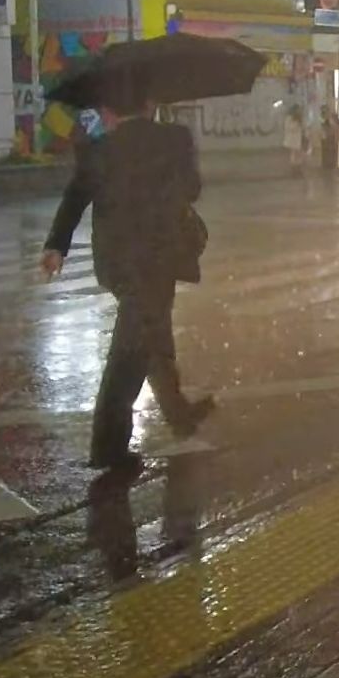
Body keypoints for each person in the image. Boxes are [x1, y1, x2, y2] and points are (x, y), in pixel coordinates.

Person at [40, 86, 213, 470]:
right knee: (129, 353)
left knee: (151, 334)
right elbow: (192, 189)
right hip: (158, 258)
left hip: (117, 262)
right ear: (150, 103)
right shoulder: (174, 139)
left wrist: (56, 246)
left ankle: (178, 413)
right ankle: (107, 445)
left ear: (107, 110)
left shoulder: (98, 149)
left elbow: (75, 197)